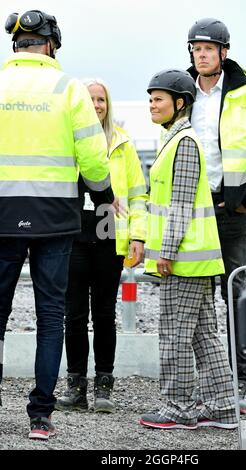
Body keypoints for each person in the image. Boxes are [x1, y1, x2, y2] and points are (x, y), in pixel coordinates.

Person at [0, 11, 113, 440]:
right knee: (51, 316)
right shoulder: (68, 88)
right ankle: (40, 416)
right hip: (56, 217)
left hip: (1, 216)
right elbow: (93, 156)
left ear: (18, 44)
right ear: (50, 45)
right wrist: (102, 196)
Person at [187, 18, 246, 413]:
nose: (202, 54)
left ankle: (238, 382)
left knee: (234, 292)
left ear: (224, 52)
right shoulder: (182, 91)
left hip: (231, 212)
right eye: (196, 48)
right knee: (196, 300)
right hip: (194, 211)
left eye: (209, 48)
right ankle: (208, 383)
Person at [140, 69, 238, 430]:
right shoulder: (177, 139)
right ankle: (224, 407)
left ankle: (178, 409)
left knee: (175, 335)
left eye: (159, 98)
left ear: (179, 104)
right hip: (195, 258)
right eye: (150, 98)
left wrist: (165, 252)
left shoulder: (182, 142)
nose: (152, 104)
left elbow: (180, 205)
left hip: (182, 259)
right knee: (203, 335)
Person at [55, 78, 148, 413]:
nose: (95, 105)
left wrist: (138, 235)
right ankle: (76, 387)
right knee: (74, 315)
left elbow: (139, 195)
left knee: (105, 315)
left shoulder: (123, 144)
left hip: (110, 235)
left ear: (108, 106)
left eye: (101, 100)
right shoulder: (67, 142)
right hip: (74, 235)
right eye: (90, 99)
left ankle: (104, 387)